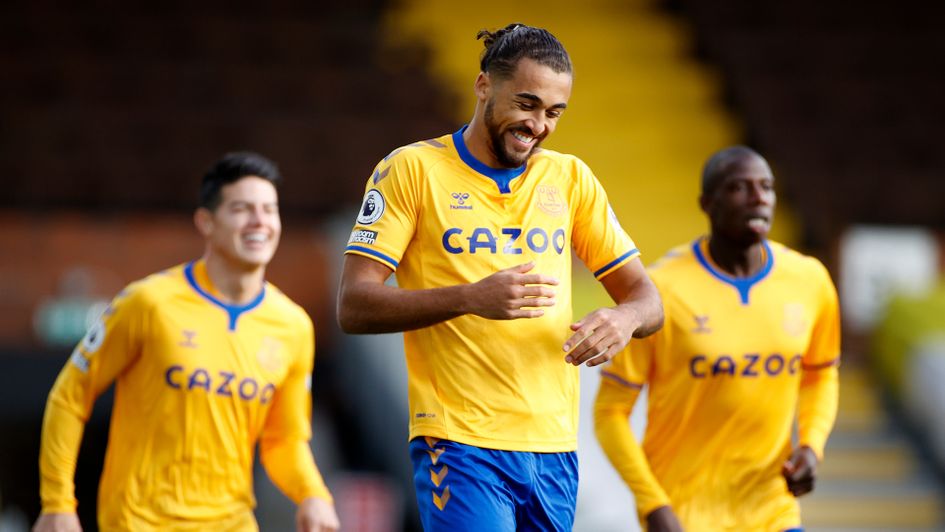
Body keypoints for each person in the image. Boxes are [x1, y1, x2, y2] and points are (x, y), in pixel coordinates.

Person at [336, 23, 663, 531]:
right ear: (484, 85)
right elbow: (354, 305)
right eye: (527, 104)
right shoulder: (411, 170)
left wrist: (623, 320)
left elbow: (648, 299)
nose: (539, 125)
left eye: (554, 112)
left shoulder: (570, 178)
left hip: (554, 446)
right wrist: (469, 297)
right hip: (461, 441)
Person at [33, 152, 340, 532]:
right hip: (139, 522)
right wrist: (58, 503)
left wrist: (313, 496)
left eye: (269, 209)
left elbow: (284, 439)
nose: (260, 221)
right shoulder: (148, 303)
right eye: (243, 209)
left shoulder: (293, 326)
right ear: (206, 222)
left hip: (232, 523)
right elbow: (70, 396)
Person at [594, 146, 840, 531]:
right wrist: (652, 502)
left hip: (772, 509)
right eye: (740, 188)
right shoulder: (661, 292)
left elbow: (820, 373)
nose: (759, 197)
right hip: (683, 514)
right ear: (707, 203)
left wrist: (812, 445)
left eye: (766, 187)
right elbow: (610, 413)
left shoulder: (810, 280)